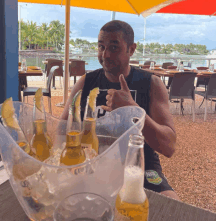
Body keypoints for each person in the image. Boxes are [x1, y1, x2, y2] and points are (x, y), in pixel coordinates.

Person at [61, 20, 179, 200]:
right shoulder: (85, 83)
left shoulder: (151, 83)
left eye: (114, 48)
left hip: (139, 166)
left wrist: (133, 110)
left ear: (131, 49)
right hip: (92, 164)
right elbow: (61, 130)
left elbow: (169, 146)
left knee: (171, 205)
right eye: (101, 47)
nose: (105, 54)